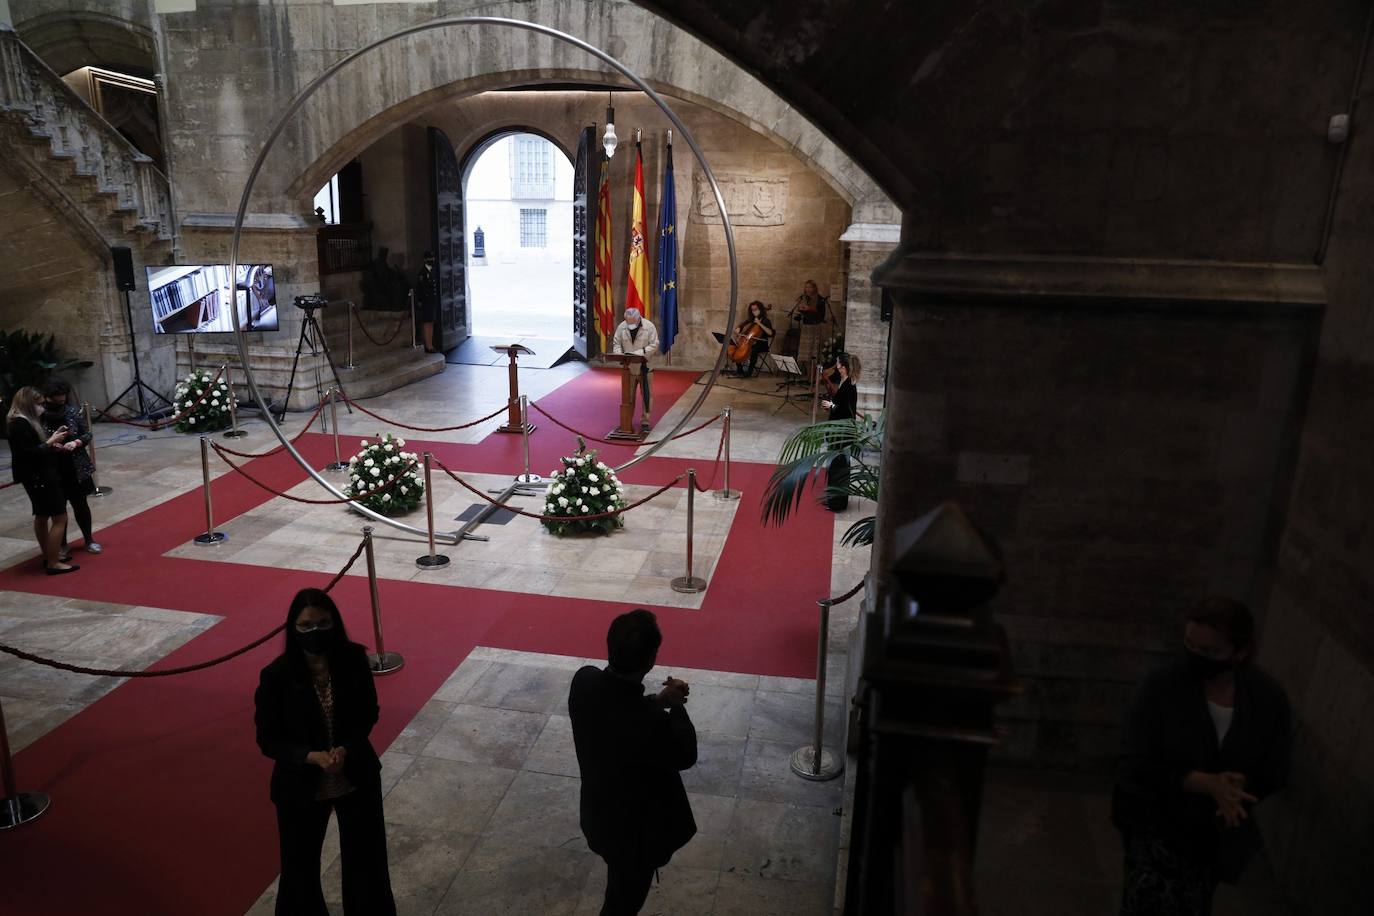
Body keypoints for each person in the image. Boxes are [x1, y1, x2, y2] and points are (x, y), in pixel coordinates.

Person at [1112, 596, 1292, 916]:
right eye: (1190, 645)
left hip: (1211, 840)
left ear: (1240, 652)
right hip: (1155, 825)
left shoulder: (1266, 698)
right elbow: (1133, 763)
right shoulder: (1163, 685)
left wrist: (1239, 786)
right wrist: (1203, 783)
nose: (1196, 657)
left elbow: (1276, 766)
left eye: (1210, 652)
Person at [254, 588, 396, 916]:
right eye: (305, 626)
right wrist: (312, 756)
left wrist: (345, 747)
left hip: (355, 773)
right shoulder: (276, 676)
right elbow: (268, 738)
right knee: (299, 871)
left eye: (322, 623)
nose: (314, 632)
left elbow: (368, 712)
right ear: (293, 628)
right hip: (300, 784)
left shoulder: (353, 660)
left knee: (368, 865)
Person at [569, 609, 697, 916]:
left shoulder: (583, 681)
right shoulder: (651, 724)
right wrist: (676, 709)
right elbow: (685, 754)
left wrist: (657, 701)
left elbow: (615, 709)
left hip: (599, 815)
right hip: (637, 837)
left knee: (620, 890)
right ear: (651, 660)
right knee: (622, 904)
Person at [6, 386, 77, 575]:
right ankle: (53, 562)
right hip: (39, 476)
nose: (42, 407)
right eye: (38, 404)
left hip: (35, 475)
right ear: (29, 404)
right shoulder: (19, 424)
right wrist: (51, 441)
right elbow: (29, 453)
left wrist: (51, 442)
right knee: (59, 517)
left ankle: (50, 555)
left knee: (42, 516)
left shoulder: (21, 422)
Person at [42, 378, 100, 556]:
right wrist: (51, 444)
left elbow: (87, 434)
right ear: (48, 398)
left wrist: (75, 442)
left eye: (63, 397)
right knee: (59, 509)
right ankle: (63, 543)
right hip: (53, 466)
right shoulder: (40, 416)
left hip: (75, 465)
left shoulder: (73, 412)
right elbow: (37, 442)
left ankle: (89, 539)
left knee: (80, 504)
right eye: (57, 397)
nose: (61, 400)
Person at [819, 353, 858, 512]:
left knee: (839, 466)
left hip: (842, 433)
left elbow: (847, 411)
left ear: (844, 366)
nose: (837, 367)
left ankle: (837, 503)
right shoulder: (844, 381)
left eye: (838, 365)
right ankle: (832, 498)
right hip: (837, 431)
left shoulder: (849, 385)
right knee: (835, 466)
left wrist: (831, 405)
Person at [611, 308, 659, 432]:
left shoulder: (649, 326)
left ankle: (645, 422)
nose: (630, 324)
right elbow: (616, 343)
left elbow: (654, 344)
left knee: (647, 396)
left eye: (632, 322)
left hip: (645, 367)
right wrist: (619, 355)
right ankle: (627, 421)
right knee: (628, 397)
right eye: (628, 322)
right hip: (629, 368)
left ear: (638, 319)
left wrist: (638, 353)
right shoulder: (622, 327)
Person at [729, 300, 775, 377]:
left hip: (761, 344)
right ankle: (740, 370)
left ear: (760, 309)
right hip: (750, 342)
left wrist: (759, 323)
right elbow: (742, 325)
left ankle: (750, 371)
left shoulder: (766, 320)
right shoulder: (751, 319)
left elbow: (770, 333)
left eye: (756, 309)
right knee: (737, 348)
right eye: (752, 310)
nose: (754, 312)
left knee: (753, 351)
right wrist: (739, 328)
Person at [415, 250, 439, 353]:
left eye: (432, 258)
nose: (431, 260)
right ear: (425, 259)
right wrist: (420, 301)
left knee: (431, 322)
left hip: (432, 301)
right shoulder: (422, 272)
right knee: (427, 323)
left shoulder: (432, 270)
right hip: (426, 302)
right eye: (429, 258)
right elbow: (420, 288)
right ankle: (428, 345)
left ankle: (430, 344)